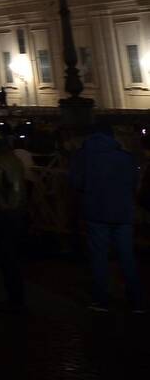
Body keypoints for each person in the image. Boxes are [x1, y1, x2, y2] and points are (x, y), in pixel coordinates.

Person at [69, 122, 145, 313]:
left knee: (99, 257)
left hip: (97, 211)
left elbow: (76, 182)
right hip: (123, 212)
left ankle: (102, 300)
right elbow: (134, 182)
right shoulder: (125, 157)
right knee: (127, 256)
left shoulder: (83, 156)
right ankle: (136, 301)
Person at [0, 134, 28, 309]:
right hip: (19, 211)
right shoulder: (15, 159)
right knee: (15, 256)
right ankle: (18, 295)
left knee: (7, 257)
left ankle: (13, 297)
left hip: (3, 213)